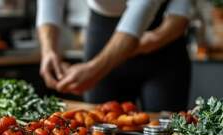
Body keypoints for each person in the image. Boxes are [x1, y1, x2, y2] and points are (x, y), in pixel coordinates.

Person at [37, 0, 191, 111]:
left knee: (166, 132)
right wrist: (48, 50)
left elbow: (143, 6)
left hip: (163, 45)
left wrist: (94, 69)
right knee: (99, 131)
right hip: (102, 28)